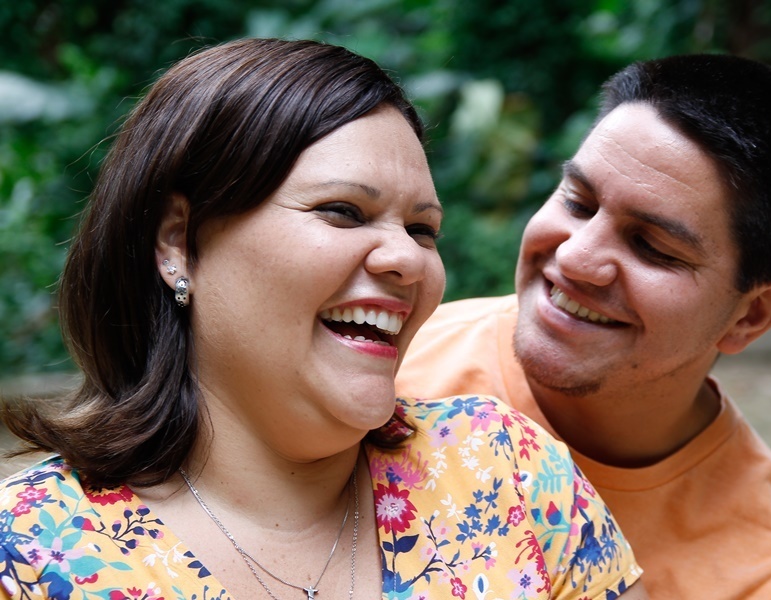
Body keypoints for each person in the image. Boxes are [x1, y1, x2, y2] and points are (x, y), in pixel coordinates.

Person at [0, 39, 647, 599]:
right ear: (178, 242)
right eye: (342, 211)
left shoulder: (506, 471)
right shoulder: (31, 556)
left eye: (422, 228)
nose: (406, 259)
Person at [397, 54, 771, 598]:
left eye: (652, 247)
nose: (576, 258)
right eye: (578, 201)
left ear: (751, 314)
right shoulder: (393, 358)